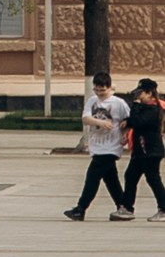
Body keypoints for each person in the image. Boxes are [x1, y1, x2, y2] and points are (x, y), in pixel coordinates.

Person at [67, 75, 131, 219]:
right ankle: (123, 206)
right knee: (110, 179)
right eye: (97, 89)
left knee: (92, 177)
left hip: (111, 146)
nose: (99, 93)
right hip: (96, 145)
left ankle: (80, 208)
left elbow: (128, 120)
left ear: (109, 87)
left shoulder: (118, 103)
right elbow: (85, 118)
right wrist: (100, 123)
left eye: (102, 90)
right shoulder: (92, 101)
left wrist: (125, 134)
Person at [126, 81, 165, 217]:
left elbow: (138, 121)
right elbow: (133, 119)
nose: (138, 97)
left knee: (153, 179)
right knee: (130, 176)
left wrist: (135, 105)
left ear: (149, 93)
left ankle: (163, 208)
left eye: (140, 94)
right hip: (140, 151)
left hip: (150, 151)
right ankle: (127, 208)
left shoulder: (154, 109)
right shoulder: (144, 108)